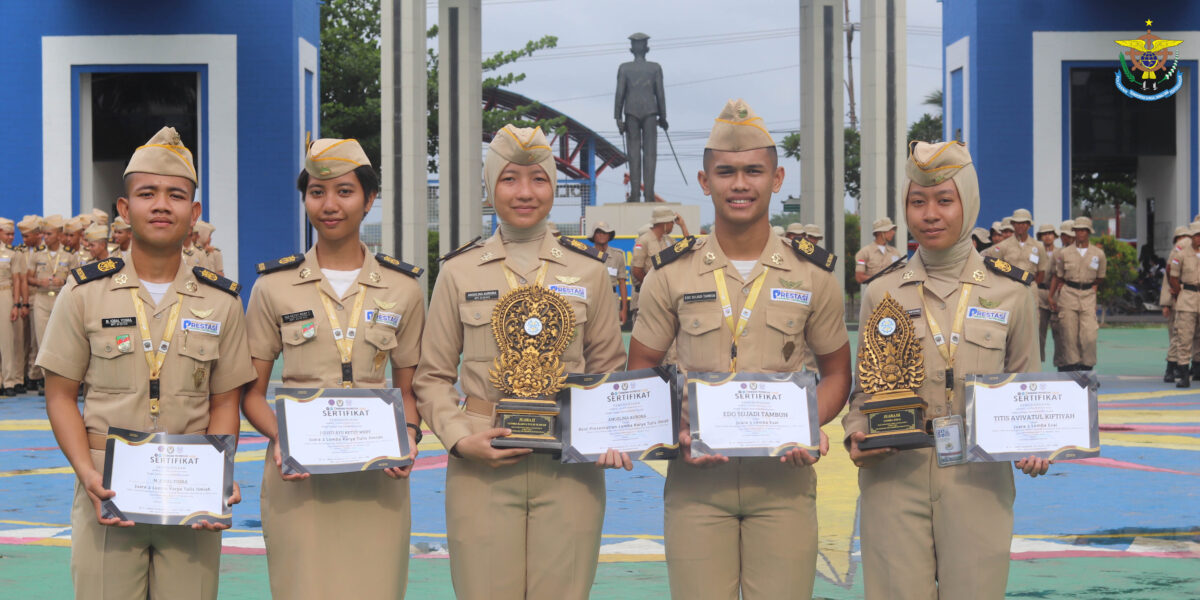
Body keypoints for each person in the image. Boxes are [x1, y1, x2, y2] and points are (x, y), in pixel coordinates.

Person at [627, 99, 851, 599]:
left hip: (784, 481)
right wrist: (675, 430)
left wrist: (811, 423)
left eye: (754, 171)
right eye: (726, 172)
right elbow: (640, 369)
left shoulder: (813, 275)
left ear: (777, 178)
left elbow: (838, 373)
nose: (740, 184)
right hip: (696, 485)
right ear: (705, 182)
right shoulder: (670, 274)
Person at [36, 126, 255, 599]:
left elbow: (225, 401)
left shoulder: (222, 301)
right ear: (124, 208)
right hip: (106, 486)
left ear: (193, 213)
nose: (161, 205)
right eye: (147, 193)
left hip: (191, 485)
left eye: (176, 195)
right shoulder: (84, 291)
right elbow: (60, 395)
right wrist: (86, 473)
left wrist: (222, 471)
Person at [413, 124, 627, 600]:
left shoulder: (589, 271)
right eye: (510, 179)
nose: (525, 193)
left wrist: (614, 434)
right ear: (490, 187)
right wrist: (460, 437)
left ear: (554, 187)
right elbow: (432, 376)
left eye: (539, 179)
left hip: (571, 468)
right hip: (481, 463)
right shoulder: (457, 271)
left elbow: (610, 372)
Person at [844, 140, 1046, 600]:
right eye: (918, 201)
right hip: (894, 472)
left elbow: (1026, 384)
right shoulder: (882, 291)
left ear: (968, 203)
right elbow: (863, 393)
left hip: (979, 480)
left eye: (944, 200)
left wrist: (1035, 441)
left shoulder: (1011, 292)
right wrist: (856, 431)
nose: (929, 214)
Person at [242, 137, 425, 598]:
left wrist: (411, 435)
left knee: (375, 587)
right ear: (305, 198)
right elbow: (251, 393)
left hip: (377, 477)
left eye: (344, 191)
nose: (330, 204)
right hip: (297, 475)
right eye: (317, 191)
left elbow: (410, 389)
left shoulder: (403, 288)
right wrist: (282, 438)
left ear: (369, 199)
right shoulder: (272, 287)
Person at [615, 32, 667, 203]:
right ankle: (649, 194)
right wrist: (664, 117)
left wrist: (618, 117)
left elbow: (619, 94)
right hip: (651, 112)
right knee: (650, 154)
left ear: (631, 49)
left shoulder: (624, 68)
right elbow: (660, 94)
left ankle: (636, 194)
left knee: (633, 154)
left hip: (631, 113)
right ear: (647, 48)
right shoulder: (655, 68)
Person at [1049, 216, 1105, 372]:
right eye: (1077, 230)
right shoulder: (1064, 253)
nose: (1080, 233)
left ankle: (1087, 366)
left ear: (1089, 232)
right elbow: (1058, 276)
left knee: (1089, 334)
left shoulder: (1098, 254)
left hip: (1087, 293)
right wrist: (1051, 296)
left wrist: (1092, 287)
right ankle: (1072, 367)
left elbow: (1100, 277)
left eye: (1083, 230)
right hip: (1068, 293)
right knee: (1068, 333)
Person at [28, 214, 76, 395]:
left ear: (58, 235)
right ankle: (46, 381)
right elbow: (28, 277)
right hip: (41, 298)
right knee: (42, 340)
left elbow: (76, 277)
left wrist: (63, 282)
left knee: (63, 340)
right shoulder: (38, 254)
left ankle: (63, 379)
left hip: (60, 298)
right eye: (43, 234)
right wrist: (38, 282)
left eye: (48, 234)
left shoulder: (70, 255)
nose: (44, 237)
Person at [1166, 223, 1200, 386]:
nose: (1198, 238)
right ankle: (1184, 374)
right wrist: (1179, 292)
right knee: (1184, 337)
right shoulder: (1181, 254)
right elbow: (1172, 275)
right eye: (1196, 236)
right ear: (1191, 238)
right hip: (1187, 297)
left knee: (1199, 338)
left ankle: (1198, 370)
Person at [631, 207, 689, 288]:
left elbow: (687, 247)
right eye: (671, 222)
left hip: (666, 288)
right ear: (664, 223)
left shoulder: (668, 240)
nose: (673, 225)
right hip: (650, 290)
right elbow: (637, 271)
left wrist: (683, 226)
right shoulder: (643, 241)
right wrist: (652, 286)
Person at [1162, 226, 1191, 382]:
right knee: (1179, 334)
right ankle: (1172, 368)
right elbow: (1169, 274)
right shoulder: (1181, 249)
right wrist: (1170, 299)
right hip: (1181, 297)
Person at [590, 221, 629, 324]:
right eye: (598, 232)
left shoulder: (618, 255)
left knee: (613, 332)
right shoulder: (587, 255)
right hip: (593, 299)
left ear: (609, 235)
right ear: (593, 236)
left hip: (612, 299)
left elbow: (622, 283)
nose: (602, 235)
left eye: (605, 232)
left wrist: (624, 309)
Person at [0, 219, 22, 396]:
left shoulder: (11, 253)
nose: (10, 237)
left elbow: (16, 280)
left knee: (6, 340)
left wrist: (16, 303)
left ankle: (9, 381)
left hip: (4, 293)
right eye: (7, 233)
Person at [1050, 219, 1075, 370]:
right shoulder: (1057, 254)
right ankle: (1062, 367)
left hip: (1078, 298)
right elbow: (1051, 276)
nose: (1069, 238)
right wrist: (1052, 295)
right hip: (1060, 299)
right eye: (1066, 235)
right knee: (1060, 334)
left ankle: (1080, 369)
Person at [993, 209, 1042, 283]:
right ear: (1012, 224)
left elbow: (1041, 272)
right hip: (1009, 286)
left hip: (1030, 286)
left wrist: (1032, 285)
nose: (1021, 226)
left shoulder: (1038, 246)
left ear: (1029, 225)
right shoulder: (1002, 247)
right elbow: (995, 269)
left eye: (1024, 223)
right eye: (1017, 223)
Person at [1036, 223, 1060, 363]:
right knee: (1039, 330)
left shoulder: (1060, 252)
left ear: (1055, 236)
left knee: (1060, 330)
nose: (1047, 236)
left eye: (1050, 233)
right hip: (1040, 291)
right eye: (1044, 234)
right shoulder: (1036, 251)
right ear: (1040, 237)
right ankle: (1038, 361)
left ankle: (1063, 363)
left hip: (1056, 293)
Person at [854, 217, 904, 283]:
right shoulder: (864, 253)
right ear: (880, 233)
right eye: (889, 230)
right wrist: (881, 280)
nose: (893, 232)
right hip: (874, 292)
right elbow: (859, 277)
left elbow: (901, 274)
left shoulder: (895, 252)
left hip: (893, 292)